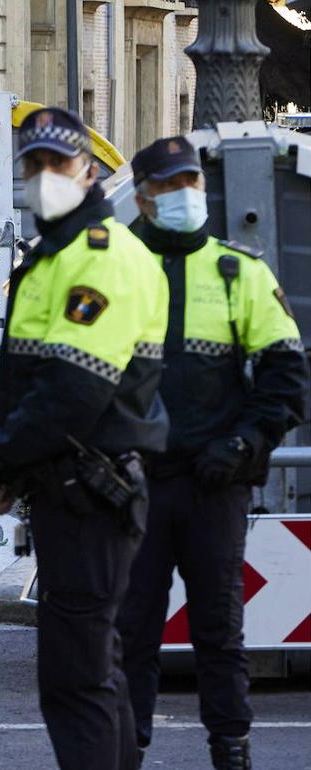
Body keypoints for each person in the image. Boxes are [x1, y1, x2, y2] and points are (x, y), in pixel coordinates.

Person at [0, 107, 169, 770]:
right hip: (74, 492)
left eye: (58, 164)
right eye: (33, 165)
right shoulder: (60, 256)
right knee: (95, 672)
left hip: (88, 490)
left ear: (89, 172)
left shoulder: (98, 258)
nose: (43, 177)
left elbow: (74, 391)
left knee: (76, 681)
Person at [117, 136, 308, 770]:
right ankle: (126, 749)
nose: (185, 195)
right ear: (142, 198)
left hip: (212, 484)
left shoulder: (239, 272)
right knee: (131, 633)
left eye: (191, 182)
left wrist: (243, 443)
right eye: (170, 186)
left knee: (220, 633)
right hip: (134, 484)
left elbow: (287, 379)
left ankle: (232, 751)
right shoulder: (110, 272)